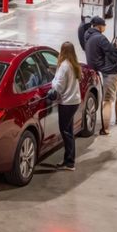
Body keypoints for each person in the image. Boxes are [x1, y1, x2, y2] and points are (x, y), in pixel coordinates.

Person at [82, 16, 117, 135]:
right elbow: (112, 53)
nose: (105, 28)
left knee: (111, 99)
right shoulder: (101, 38)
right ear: (100, 26)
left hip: (98, 68)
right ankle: (107, 128)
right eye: (104, 26)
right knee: (111, 100)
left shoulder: (87, 36)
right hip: (113, 71)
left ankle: (111, 124)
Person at [48, 42, 83, 170]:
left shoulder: (64, 66)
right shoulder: (74, 64)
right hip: (74, 101)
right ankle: (69, 160)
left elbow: (59, 86)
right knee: (69, 131)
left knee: (66, 131)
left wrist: (52, 82)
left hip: (67, 103)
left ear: (62, 51)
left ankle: (69, 162)